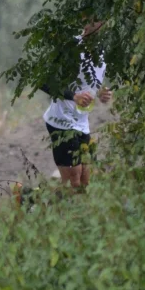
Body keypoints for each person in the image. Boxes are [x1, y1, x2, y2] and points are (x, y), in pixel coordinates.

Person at [40, 19, 112, 189]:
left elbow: (89, 85)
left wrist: (102, 93)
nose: (99, 26)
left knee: (85, 181)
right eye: (92, 21)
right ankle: (58, 211)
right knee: (74, 181)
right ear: (86, 24)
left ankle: (27, 198)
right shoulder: (70, 46)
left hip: (81, 123)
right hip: (60, 121)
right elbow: (43, 81)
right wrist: (73, 96)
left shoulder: (103, 50)